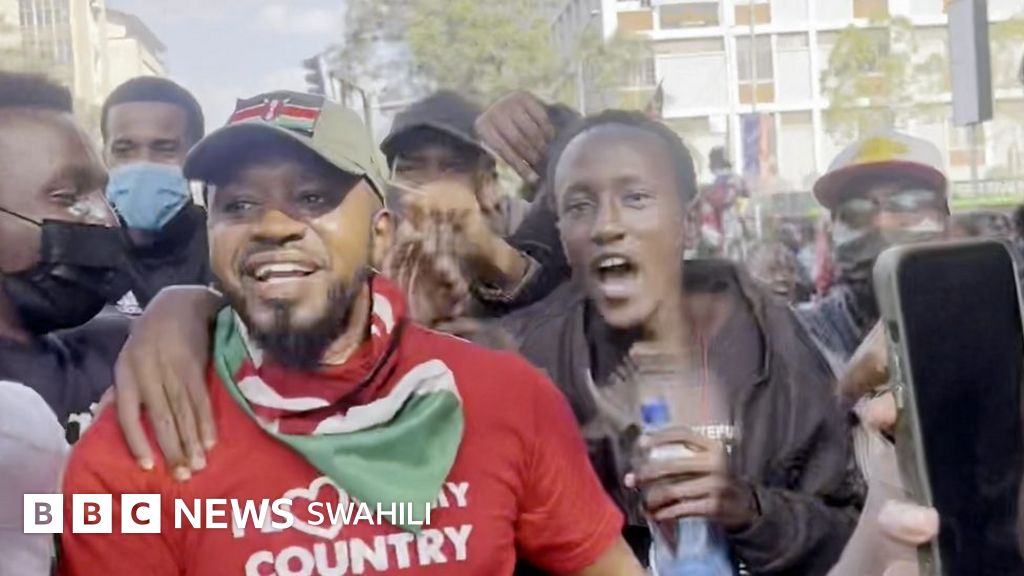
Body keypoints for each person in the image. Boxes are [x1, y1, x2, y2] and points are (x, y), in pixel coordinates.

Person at [61, 91, 644, 576]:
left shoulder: (505, 397)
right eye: (238, 205)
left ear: (381, 234)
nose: (272, 226)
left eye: (312, 197)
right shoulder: (132, 453)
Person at [499, 111, 861, 573]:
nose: (605, 226)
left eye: (635, 198)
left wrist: (749, 509)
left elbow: (849, 532)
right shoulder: (522, 365)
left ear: (689, 222)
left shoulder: (769, 343)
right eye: (578, 206)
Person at [0, 72, 126, 575]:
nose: (107, 221)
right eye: (69, 197)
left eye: (102, 195)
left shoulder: (132, 349)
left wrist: (185, 308)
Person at [796, 131, 950, 375]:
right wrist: (849, 389)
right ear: (832, 230)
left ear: (945, 219)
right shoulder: (801, 334)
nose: (881, 223)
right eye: (856, 212)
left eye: (907, 204)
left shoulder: (995, 315)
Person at [102, 76, 210, 313]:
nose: (143, 164)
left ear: (197, 157)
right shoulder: (79, 252)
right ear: (104, 156)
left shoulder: (221, 248)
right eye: (124, 150)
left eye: (165, 149)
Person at [382, 90, 528, 238]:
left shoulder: (531, 232)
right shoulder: (377, 235)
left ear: (488, 183)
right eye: (411, 169)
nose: (431, 186)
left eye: (453, 167)